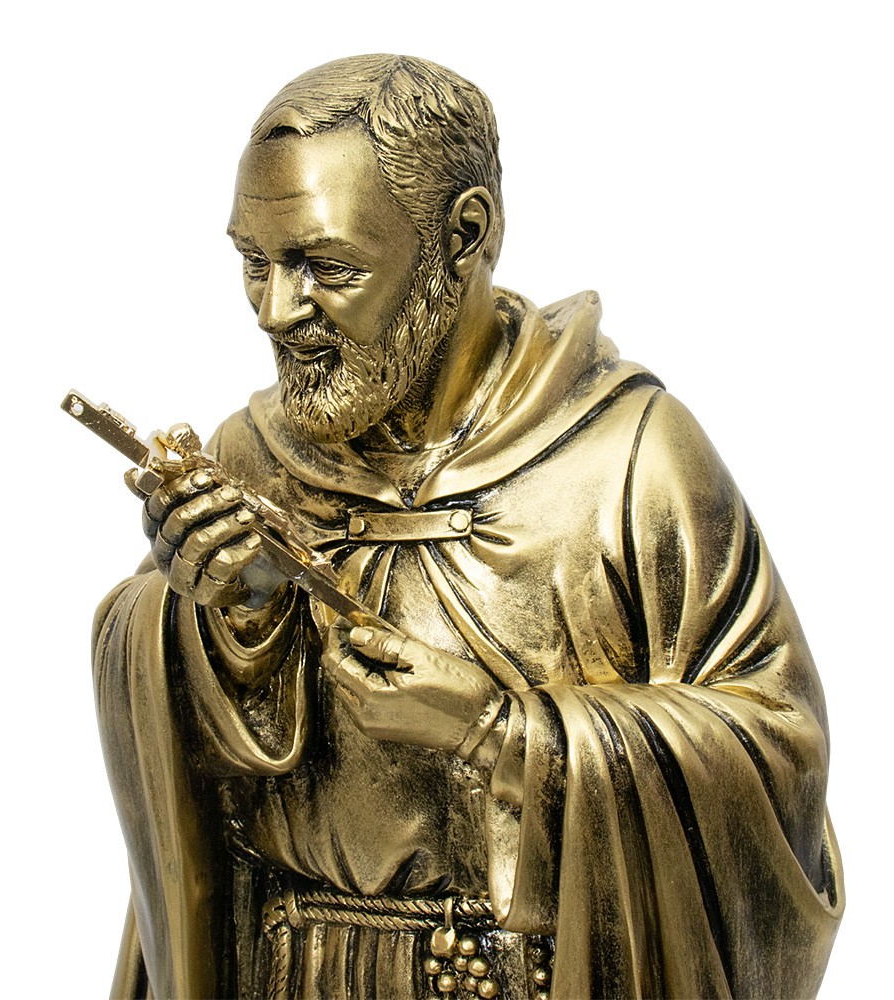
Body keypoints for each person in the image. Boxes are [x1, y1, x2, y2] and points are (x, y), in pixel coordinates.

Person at [93, 54, 843, 1000]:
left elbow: (776, 758)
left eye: (327, 267)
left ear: (465, 235)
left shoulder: (627, 464)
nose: (275, 313)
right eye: (254, 263)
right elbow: (193, 777)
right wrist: (225, 625)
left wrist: (496, 731)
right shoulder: (252, 456)